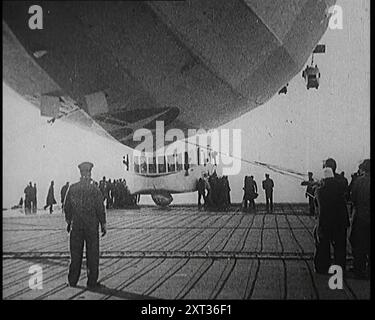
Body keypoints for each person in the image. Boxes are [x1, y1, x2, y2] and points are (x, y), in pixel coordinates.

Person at [64, 161, 107, 288]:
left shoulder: (72, 188)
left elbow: (66, 207)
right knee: (92, 255)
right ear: (89, 173)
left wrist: (69, 221)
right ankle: (92, 282)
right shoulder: (94, 189)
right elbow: (100, 208)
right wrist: (103, 224)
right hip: (91, 227)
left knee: (75, 255)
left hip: (76, 227)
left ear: (80, 172)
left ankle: (72, 281)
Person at [313, 158, 349, 274]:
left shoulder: (320, 189)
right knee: (339, 246)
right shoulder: (342, 181)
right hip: (340, 220)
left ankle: (322, 267)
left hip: (325, 220)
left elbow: (317, 203)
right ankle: (340, 268)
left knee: (323, 244)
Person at [349, 159, 370, 279]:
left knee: (358, 243)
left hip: (360, 218)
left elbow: (352, 199)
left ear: (363, 169)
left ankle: (359, 269)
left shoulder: (359, 181)